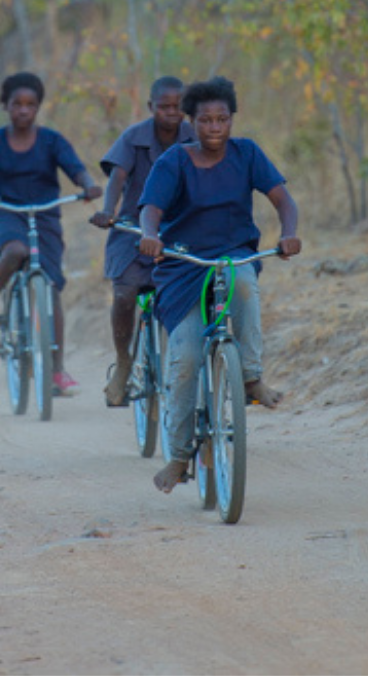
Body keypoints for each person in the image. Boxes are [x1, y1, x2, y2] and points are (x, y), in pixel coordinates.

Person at [137, 76, 301, 493]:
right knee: (186, 357)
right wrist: (151, 235)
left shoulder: (246, 153)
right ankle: (178, 456)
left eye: (222, 119)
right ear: (192, 122)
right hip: (184, 265)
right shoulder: (173, 161)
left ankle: (250, 377)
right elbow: (151, 210)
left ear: (232, 119)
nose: (214, 128)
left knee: (245, 286)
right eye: (206, 120)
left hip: (232, 255)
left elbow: (283, 200)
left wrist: (288, 233)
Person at [0, 72, 101, 396]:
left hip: (45, 215)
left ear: (38, 107)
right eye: (17, 104)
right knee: (15, 251)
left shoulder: (52, 140)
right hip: (6, 212)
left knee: (51, 287)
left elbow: (75, 167)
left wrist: (88, 185)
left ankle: (57, 371)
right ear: (6, 106)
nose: (23, 110)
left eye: (30, 104)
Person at [91, 76, 195, 406]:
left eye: (177, 107)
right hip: (134, 229)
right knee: (124, 293)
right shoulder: (133, 138)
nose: (171, 113)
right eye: (163, 107)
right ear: (151, 107)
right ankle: (124, 363)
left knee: (198, 294)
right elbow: (117, 179)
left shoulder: (196, 136)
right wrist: (108, 210)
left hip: (181, 229)